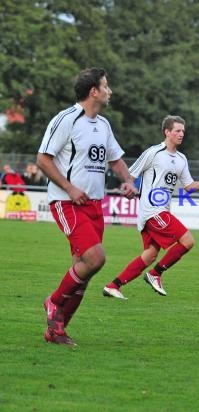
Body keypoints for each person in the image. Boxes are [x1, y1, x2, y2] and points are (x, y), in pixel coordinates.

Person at [37, 67, 137, 346]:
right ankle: (53, 302)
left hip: (95, 204)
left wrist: (127, 180)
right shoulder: (66, 120)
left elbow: (115, 160)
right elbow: (43, 159)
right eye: (106, 86)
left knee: (84, 270)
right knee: (95, 259)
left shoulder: (103, 125)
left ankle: (56, 331)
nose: (110, 91)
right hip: (67, 202)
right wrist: (69, 187)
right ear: (94, 91)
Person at [103, 115, 199, 300]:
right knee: (188, 241)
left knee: (149, 255)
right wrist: (129, 186)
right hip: (152, 211)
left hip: (161, 211)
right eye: (177, 131)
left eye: (183, 131)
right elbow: (131, 173)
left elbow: (188, 187)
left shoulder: (181, 159)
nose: (181, 134)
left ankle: (113, 286)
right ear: (167, 132)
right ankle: (155, 274)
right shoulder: (153, 153)